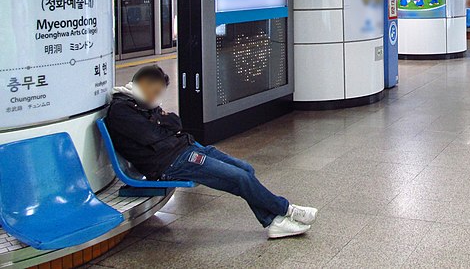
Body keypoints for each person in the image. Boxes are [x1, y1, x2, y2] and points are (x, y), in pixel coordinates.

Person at [106, 65, 316, 239]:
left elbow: (176, 123)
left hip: (185, 149)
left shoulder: (141, 103)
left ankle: (273, 221)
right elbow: (152, 135)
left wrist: (160, 120)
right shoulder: (122, 110)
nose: (158, 98)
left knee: (246, 169)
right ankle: (286, 210)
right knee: (240, 178)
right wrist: (161, 119)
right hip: (170, 162)